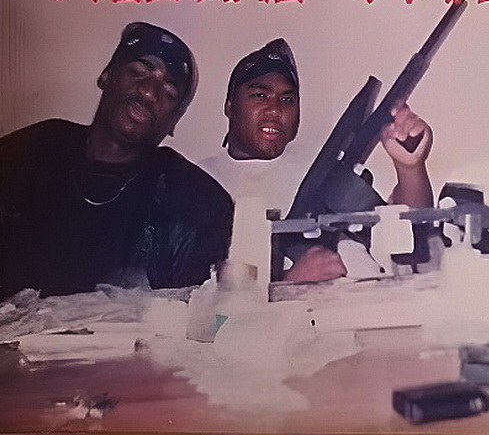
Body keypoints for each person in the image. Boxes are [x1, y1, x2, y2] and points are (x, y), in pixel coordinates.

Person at [0, 22, 234, 300]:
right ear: (106, 75)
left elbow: (182, 317)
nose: (149, 92)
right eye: (139, 71)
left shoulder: (196, 202)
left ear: (175, 120)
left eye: (169, 91)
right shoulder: (28, 153)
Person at [200, 38, 433, 282]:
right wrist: (290, 284)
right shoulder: (196, 183)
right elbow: (195, 296)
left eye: (287, 100)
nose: (275, 109)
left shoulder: (323, 168)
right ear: (229, 107)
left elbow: (411, 230)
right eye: (259, 95)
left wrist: (410, 168)